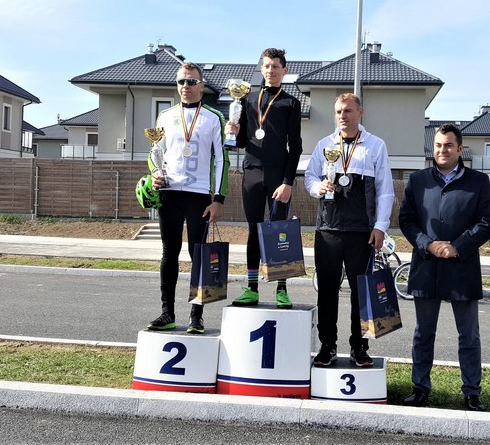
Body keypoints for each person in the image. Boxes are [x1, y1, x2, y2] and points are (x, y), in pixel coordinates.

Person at [398, 123, 490, 410]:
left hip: (461, 268)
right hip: (427, 266)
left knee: (469, 335)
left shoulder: (478, 181)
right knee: (423, 334)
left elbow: (486, 223)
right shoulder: (418, 181)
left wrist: (458, 246)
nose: (443, 150)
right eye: (439, 145)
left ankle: (472, 392)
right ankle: (420, 388)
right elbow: (406, 220)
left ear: (459, 149)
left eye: (449, 145)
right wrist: (427, 244)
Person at [305, 93, 394, 368]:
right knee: (327, 291)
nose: (342, 116)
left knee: (361, 293)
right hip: (328, 230)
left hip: (361, 232)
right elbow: (309, 177)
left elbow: (385, 190)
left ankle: (359, 347)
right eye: (338, 112)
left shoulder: (375, 145)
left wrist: (380, 227)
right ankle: (327, 346)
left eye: (348, 111)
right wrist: (318, 187)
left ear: (360, 112)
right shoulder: (324, 145)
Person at [146, 62, 229, 334]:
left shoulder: (214, 117)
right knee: (169, 253)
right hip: (169, 193)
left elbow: (222, 160)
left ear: (201, 86)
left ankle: (196, 316)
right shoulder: (165, 116)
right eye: (182, 81)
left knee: (198, 255)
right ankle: (167, 313)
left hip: (199, 196)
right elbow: (154, 153)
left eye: (191, 82)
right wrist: (154, 174)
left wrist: (218, 198)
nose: (186, 86)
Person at [226, 48, 302, 309]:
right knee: (253, 230)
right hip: (252, 172)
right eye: (267, 66)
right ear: (261, 69)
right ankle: (251, 288)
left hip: (278, 176)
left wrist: (288, 182)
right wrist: (233, 131)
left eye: (275, 66)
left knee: (279, 232)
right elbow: (241, 141)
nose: (271, 70)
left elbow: (296, 147)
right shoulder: (247, 99)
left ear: (284, 70)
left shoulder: (291, 103)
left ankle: (281, 288)